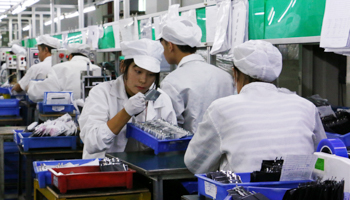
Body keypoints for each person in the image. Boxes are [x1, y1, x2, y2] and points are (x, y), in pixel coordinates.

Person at [184, 40, 327, 174]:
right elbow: (322, 156)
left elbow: (195, 163)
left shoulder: (221, 109)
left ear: (235, 73)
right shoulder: (306, 107)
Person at [79, 38, 177, 159]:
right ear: (123, 67)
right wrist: (126, 113)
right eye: (138, 71)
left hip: (144, 171)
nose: (143, 80)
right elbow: (92, 143)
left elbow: (171, 143)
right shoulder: (101, 93)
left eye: (151, 74)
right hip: (104, 171)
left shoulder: (161, 98)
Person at [158, 18, 235, 134]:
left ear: (170, 46)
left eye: (162, 46)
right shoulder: (226, 77)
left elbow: (170, 128)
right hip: (226, 147)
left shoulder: (171, 82)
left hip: (189, 149)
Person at [27, 43, 101, 102]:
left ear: (70, 56)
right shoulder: (97, 69)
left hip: (66, 116)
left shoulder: (59, 68)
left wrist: (30, 87)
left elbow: (41, 93)